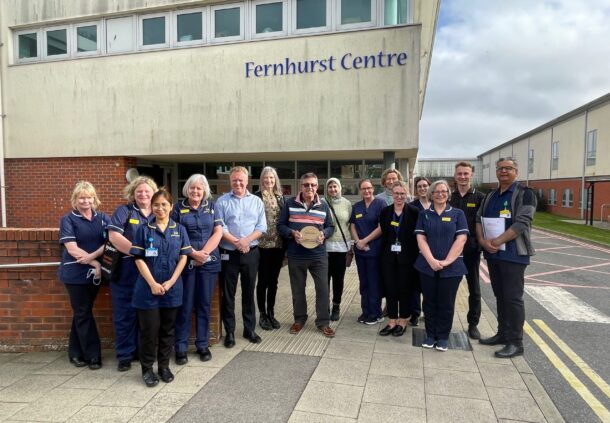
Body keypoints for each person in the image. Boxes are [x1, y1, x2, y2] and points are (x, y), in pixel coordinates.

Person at [130, 188, 192, 387]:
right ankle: (147, 369)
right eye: (156, 204)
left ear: (171, 207)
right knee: (149, 331)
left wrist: (172, 281)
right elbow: (138, 259)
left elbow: (184, 256)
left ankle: (163, 366)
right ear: (151, 206)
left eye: (164, 204)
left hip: (172, 289)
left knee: (167, 330)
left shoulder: (179, 229)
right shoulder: (143, 229)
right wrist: (153, 284)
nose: (160, 208)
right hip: (148, 290)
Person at [477, 157, 536, 358]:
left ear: (516, 172)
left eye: (508, 168)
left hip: (513, 255)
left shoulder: (525, 194)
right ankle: (502, 334)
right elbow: (479, 219)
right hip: (494, 255)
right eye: (500, 168)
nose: (503, 171)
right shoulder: (491, 195)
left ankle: (516, 342)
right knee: (500, 296)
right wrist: (484, 242)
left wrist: (498, 240)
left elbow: (522, 223)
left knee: (513, 298)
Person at [107, 176, 158, 372]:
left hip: (151, 272)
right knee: (124, 315)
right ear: (132, 193)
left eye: (147, 191)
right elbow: (113, 236)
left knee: (146, 315)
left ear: (153, 193)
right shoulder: (124, 211)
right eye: (139, 191)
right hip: (126, 272)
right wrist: (138, 252)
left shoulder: (158, 212)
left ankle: (141, 352)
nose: (143, 194)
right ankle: (125, 355)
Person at [172, 174, 223, 364]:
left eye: (199, 189)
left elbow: (218, 231)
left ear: (204, 191)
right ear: (187, 189)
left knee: (204, 304)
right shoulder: (178, 208)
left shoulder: (212, 207)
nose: (195, 191)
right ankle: (181, 347)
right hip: (186, 263)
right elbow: (174, 233)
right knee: (185, 306)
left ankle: (202, 345)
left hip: (209, 263)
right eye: (192, 188)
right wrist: (194, 253)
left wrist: (205, 253)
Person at [58, 181, 109, 370]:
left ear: (94, 199)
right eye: (81, 197)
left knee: (82, 312)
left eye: (88, 197)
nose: (85, 200)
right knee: (83, 312)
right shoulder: (68, 219)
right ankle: (93, 355)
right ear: (75, 200)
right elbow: (71, 248)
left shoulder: (103, 218)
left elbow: (111, 241)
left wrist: (93, 258)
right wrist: (95, 262)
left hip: (95, 273)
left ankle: (75, 352)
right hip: (75, 273)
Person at [278, 172, 335, 338]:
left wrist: (324, 233)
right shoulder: (289, 203)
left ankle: (323, 322)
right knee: (298, 290)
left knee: (323, 289)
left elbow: (331, 227)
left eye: (313, 185)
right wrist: (292, 233)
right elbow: (281, 226)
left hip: (318, 255)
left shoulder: (324, 205)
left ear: (317, 186)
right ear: (300, 186)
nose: (309, 187)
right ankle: (299, 320)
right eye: (306, 185)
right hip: (296, 255)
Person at [216, 166, 267, 347]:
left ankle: (249, 329)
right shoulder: (221, 202)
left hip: (250, 253)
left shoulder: (257, 202)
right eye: (234, 180)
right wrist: (238, 243)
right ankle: (229, 331)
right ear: (230, 181)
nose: (238, 183)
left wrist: (245, 241)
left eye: (241, 180)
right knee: (228, 294)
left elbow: (261, 227)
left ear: (247, 181)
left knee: (248, 292)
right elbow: (221, 227)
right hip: (228, 253)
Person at [414, 180, 468, 351]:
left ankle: (443, 336)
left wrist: (446, 262)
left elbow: (461, 239)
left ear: (448, 193)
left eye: (443, 191)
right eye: (436, 191)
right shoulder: (424, 214)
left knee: (446, 302)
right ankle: (430, 335)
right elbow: (420, 238)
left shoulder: (458, 214)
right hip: (426, 266)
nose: (440, 194)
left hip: (451, 268)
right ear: (431, 193)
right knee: (429, 302)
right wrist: (431, 260)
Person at [378, 181, 420, 336]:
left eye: (402, 193)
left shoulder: (414, 212)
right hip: (388, 258)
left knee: (405, 290)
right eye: (396, 193)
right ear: (392, 194)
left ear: (406, 194)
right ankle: (392, 320)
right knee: (390, 289)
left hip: (408, 259)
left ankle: (403, 321)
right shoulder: (385, 212)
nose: (399, 196)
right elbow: (384, 234)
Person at [449, 162, 485, 340]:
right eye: (459, 174)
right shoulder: (448, 197)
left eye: (466, 173)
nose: (462, 177)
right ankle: (444, 319)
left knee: (474, 288)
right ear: (455, 176)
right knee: (448, 289)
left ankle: (473, 324)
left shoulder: (480, 198)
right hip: (450, 252)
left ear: (471, 175)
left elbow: (484, 225)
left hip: (471, 251)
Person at [254, 167, 286, 331]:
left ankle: (271, 312)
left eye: (271, 178)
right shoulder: (256, 197)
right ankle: (262, 314)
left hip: (278, 246)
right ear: (262, 179)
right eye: (266, 178)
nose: (269, 181)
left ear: (275, 180)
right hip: (262, 246)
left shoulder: (281, 197)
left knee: (274, 281)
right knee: (263, 281)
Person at [350, 179, 385, 325]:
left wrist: (365, 241)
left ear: (373, 189)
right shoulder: (357, 206)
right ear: (360, 190)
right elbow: (352, 225)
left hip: (375, 250)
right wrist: (358, 241)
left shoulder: (381, 204)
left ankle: (376, 313)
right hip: (360, 252)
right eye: (363, 189)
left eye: (369, 188)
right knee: (363, 282)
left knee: (373, 282)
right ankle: (365, 311)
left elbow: (381, 226)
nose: (366, 191)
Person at [325, 178, 352, 321]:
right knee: (324, 279)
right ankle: (325, 307)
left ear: (340, 188)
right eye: (330, 187)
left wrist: (353, 243)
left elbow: (350, 224)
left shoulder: (347, 204)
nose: (333, 189)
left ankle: (336, 306)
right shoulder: (322, 203)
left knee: (338, 279)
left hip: (342, 246)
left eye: (335, 186)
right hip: (325, 247)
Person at [407, 175, 432, 326]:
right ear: (416, 190)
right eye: (419, 186)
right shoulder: (412, 206)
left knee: (429, 284)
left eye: (425, 186)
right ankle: (415, 313)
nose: (422, 188)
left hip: (434, 251)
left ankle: (428, 313)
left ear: (430, 187)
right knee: (415, 284)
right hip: (415, 251)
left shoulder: (438, 204)